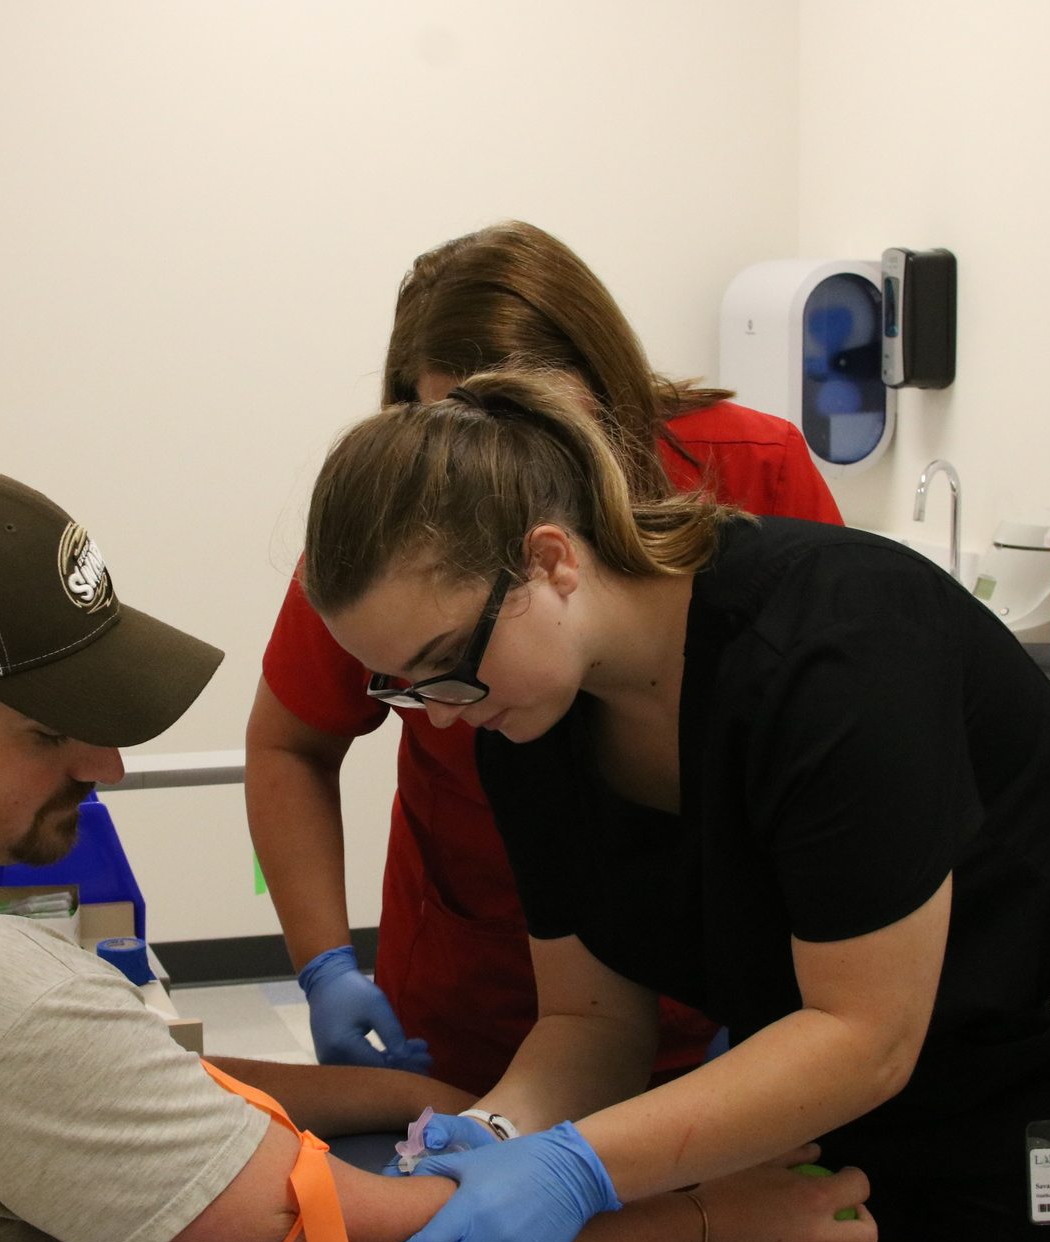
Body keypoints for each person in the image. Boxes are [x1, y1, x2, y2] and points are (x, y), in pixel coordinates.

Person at [0, 462, 873, 1242]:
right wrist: (708, 1235)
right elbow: (340, 1234)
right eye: (54, 733)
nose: (104, 769)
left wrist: (408, 1091)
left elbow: (127, 1086)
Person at [298, 369, 1050, 1242]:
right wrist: (498, 1133)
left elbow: (863, 1031)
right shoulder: (529, 719)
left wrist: (578, 1168)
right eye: (402, 687)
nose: (438, 714)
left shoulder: (837, 648)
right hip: (857, 1127)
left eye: (444, 667)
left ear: (550, 560)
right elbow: (591, 1023)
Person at [250, 219, 844, 1094]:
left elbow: (830, 763)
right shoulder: (393, 543)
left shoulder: (751, 475)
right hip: (483, 994)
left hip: (728, 993)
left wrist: (792, 1009)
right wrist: (327, 967)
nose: (502, 467)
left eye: (529, 423)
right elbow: (289, 742)